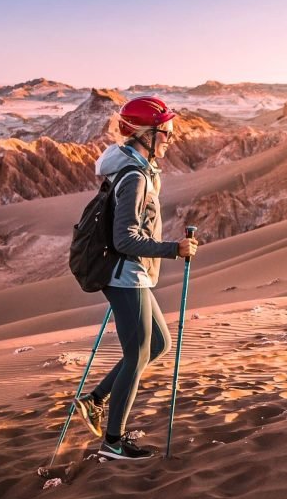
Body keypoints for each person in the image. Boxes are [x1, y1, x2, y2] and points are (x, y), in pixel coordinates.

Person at [73, 96, 198, 460]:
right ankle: (113, 440)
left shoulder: (136, 167)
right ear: (146, 134)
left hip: (133, 273)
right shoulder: (135, 176)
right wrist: (175, 249)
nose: (170, 139)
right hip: (125, 274)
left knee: (157, 344)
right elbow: (124, 238)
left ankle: (95, 400)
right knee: (138, 353)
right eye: (166, 133)